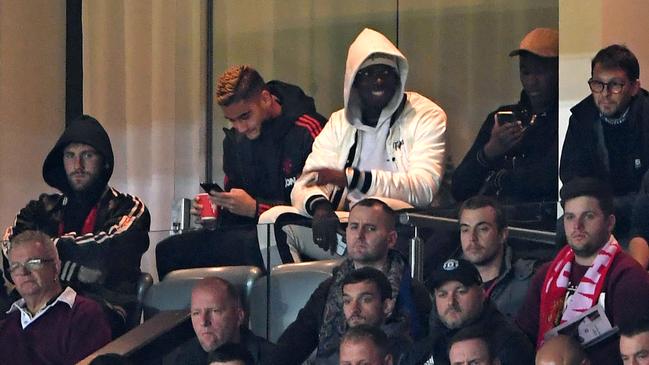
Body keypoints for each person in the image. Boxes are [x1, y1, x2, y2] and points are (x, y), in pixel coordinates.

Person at [268, 27, 446, 264]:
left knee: (373, 216)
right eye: (368, 74)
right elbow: (305, 183)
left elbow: (423, 189)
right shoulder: (339, 122)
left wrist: (352, 179)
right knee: (273, 222)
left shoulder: (426, 115)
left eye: (386, 72)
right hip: (345, 227)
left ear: (399, 77)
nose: (379, 80)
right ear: (354, 80)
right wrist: (320, 207)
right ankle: (301, 298)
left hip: (402, 227)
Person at [155, 64, 326, 277]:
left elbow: (319, 209)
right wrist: (220, 208)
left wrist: (255, 208)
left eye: (245, 116)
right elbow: (235, 197)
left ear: (265, 98)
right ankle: (200, 311)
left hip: (290, 233)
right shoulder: (235, 140)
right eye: (232, 120)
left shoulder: (308, 129)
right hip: (246, 232)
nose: (240, 127)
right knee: (169, 251)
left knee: (256, 244)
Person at [2, 115, 151, 336]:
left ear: (104, 161)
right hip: (36, 305)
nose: (77, 165)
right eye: (70, 156)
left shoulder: (128, 207)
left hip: (101, 309)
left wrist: (42, 258)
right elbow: (11, 254)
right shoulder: (40, 209)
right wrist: (77, 267)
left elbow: (105, 257)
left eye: (87, 155)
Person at [269, 198, 431, 365]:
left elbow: (423, 351)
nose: (359, 236)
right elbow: (292, 344)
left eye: (370, 228)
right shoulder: (329, 288)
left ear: (391, 239)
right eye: (353, 227)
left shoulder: (412, 291)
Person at [516, 177, 649, 365]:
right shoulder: (546, 274)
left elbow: (635, 351)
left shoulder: (628, 277)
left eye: (588, 216)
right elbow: (523, 337)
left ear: (610, 223)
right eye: (570, 217)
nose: (577, 226)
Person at [560, 44, 649, 268]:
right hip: (596, 214)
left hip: (642, 218)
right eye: (598, 84)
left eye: (615, 85)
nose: (605, 94)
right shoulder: (582, 118)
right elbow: (571, 179)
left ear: (634, 87)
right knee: (562, 230)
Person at [452, 27, 558, 205]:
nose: (532, 81)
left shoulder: (567, 120)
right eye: (525, 72)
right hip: (491, 222)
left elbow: (550, 181)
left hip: (540, 226)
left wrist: (502, 179)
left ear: (558, 71)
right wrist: (490, 151)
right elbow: (459, 187)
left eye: (540, 71)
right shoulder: (501, 118)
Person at [0, 230, 111, 364]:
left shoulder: (83, 314)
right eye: (15, 266)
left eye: (34, 262)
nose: (23, 272)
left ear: (56, 267)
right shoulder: (7, 323)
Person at [402, 258, 534, 365]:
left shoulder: (510, 344)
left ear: (482, 293)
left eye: (461, 292)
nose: (451, 302)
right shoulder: (425, 347)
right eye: (443, 294)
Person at [456, 195, 537, 318]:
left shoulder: (529, 281)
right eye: (465, 230)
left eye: (482, 229)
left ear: (502, 235)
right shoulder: (448, 280)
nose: (472, 238)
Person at [170, 277, 275, 365]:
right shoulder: (183, 358)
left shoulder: (273, 359)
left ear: (239, 316)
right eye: (196, 313)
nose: (203, 322)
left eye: (215, 311)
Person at [338, 267, 411, 364]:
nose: (354, 309)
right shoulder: (338, 343)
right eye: (347, 301)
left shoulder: (406, 354)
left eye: (365, 300)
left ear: (386, 306)